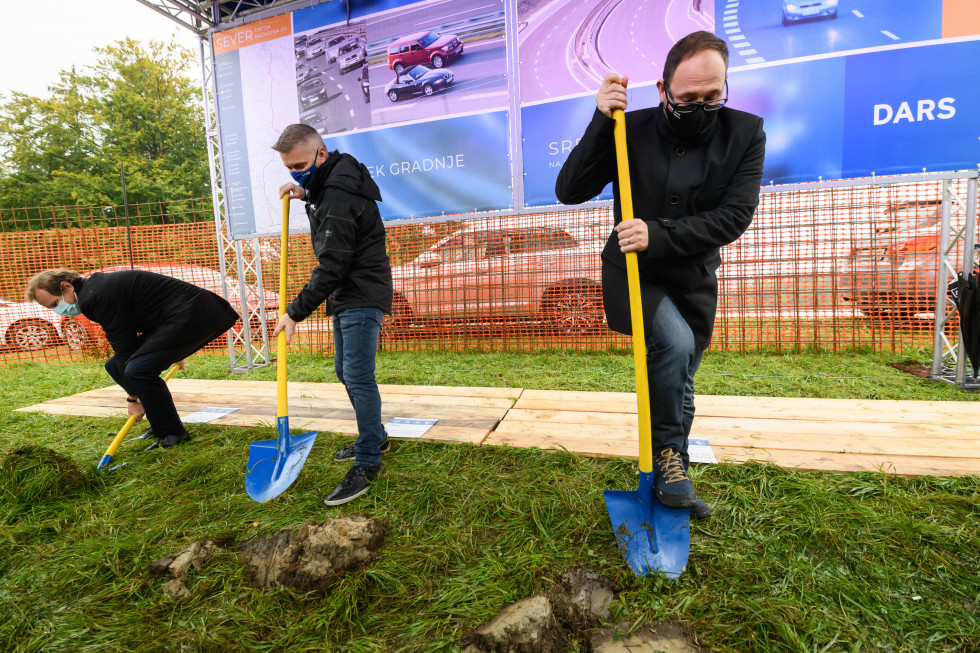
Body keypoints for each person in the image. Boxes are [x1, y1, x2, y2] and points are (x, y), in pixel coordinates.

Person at [555, 31, 766, 518]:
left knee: (682, 376)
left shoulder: (745, 133)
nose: (701, 106)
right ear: (662, 89)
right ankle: (670, 461)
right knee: (672, 344)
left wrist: (660, 232)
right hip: (632, 270)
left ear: (725, 85)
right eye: (688, 98)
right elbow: (570, 189)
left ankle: (673, 462)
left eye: (713, 96)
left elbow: (735, 216)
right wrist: (600, 121)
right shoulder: (630, 127)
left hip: (693, 277)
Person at [271, 123, 393, 507]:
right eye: (290, 168)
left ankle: (369, 460)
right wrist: (306, 191)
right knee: (345, 371)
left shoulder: (339, 193)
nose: (296, 172)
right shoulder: (332, 181)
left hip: (359, 291)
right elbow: (325, 199)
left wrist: (294, 313)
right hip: (348, 292)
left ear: (321, 154)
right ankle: (374, 437)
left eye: (302, 166)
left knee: (357, 375)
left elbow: (332, 265)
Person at [26, 268, 240, 449]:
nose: (58, 311)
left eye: (55, 304)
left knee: (138, 370)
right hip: (175, 317)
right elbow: (132, 328)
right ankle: (159, 426)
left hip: (194, 313)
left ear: (66, 286)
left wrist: (133, 399)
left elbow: (125, 347)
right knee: (114, 366)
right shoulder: (93, 289)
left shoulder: (94, 296)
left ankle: (172, 435)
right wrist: (169, 351)